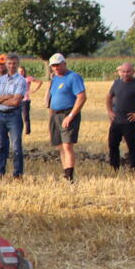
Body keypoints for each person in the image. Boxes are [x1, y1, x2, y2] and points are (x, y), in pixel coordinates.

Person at [47, 54, 86, 182]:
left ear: (64, 63)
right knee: (60, 146)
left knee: (67, 145)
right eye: (53, 66)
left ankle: (70, 176)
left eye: (58, 65)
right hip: (55, 114)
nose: (56, 68)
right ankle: (65, 172)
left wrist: (71, 116)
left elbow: (81, 97)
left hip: (67, 113)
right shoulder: (55, 79)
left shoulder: (73, 77)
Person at [0, 53, 29, 178]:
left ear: (18, 65)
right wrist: (7, 97)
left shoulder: (21, 80)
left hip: (14, 115)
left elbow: (16, 101)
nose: (11, 66)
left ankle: (17, 173)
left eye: (14, 64)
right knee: (0, 146)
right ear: (6, 64)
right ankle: (0, 172)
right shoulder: (0, 80)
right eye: (9, 63)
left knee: (16, 146)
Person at [104, 62, 135, 172]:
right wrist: (110, 111)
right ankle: (114, 168)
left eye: (128, 71)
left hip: (130, 121)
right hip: (116, 120)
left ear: (133, 72)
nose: (126, 74)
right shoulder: (116, 83)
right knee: (113, 145)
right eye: (123, 72)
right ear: (120, 72)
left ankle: (134, 169)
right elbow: (109, 97)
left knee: (131, 146)